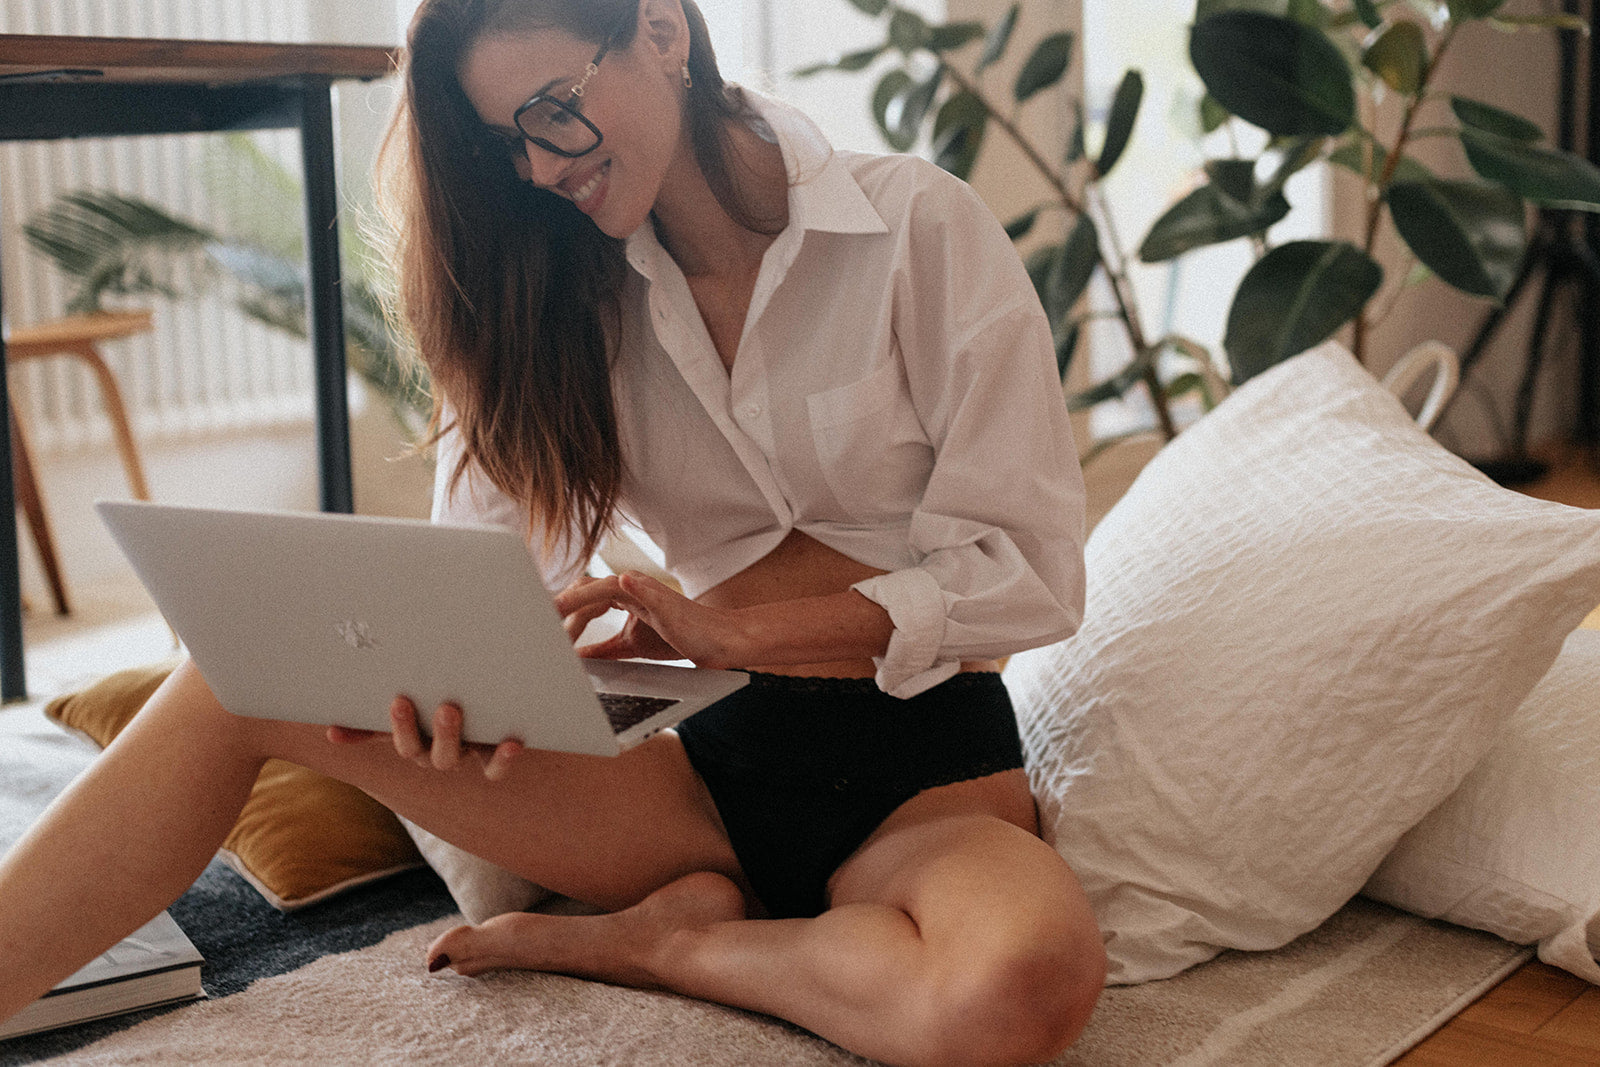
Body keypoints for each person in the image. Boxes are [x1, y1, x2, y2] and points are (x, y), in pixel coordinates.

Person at [0, 0, 1105, 1061]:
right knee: (230, 679)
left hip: (920, 774)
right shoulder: (555, 294)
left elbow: (1031, 576)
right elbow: (480, 578)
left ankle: (678, 942)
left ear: (661, 31)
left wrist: (734, 638)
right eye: (505, 143)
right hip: (693, 784)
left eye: (550, 111)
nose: (537, 165)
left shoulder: (918, 225)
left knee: (1017, 987)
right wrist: (453, 681)